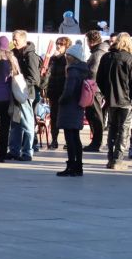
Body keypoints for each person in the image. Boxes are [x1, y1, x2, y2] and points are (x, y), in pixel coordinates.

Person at [96, 32, 132, 170]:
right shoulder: (130, 59)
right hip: (125, 100)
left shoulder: (106, 57)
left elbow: (99, 79)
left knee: (112, 128)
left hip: (111, 99)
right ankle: (118, 160)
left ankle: (110, 158)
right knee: (124, 130)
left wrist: (106, 93)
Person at [55, 42, 90, 177]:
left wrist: (61, 100)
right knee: (75, 137)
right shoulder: (83, 69)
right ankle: (78, 166)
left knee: (70, 138)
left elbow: (69, 90)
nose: (65, 56)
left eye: (67, 55)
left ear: (72, 57)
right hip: (78, 106)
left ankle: (71, 166)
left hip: (69, 107)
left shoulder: (72, 70)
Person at [8, 30, 40, 162]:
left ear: (23, 40)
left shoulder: (31, 55)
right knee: (15, 123)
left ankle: (27, 152)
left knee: (27, 122)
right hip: (16, 92)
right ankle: (14, 150)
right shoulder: (15, 53)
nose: (14, 42)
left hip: (26, 93)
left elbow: (35, 78)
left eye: (16, 39)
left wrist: (21, 86)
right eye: (13, 39)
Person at [83, 30, 109, 152]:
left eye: (87, 41)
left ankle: (96, 142)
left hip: (94, 89)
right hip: (95, 88)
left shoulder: (98, 54)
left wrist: (84, 72)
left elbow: (94, 72)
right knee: (92, 115)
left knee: (95, 116)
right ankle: (96, 141)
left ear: (91, 41)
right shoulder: (99, 52)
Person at [45, 37, 72, 149]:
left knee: (65, 117)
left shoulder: (68, 59)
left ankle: (67, 141)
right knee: (54, 117)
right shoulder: (53, 59)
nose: (58, 46)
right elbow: (48, 75)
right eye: (57, 44)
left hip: (63, 91)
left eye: (61, 44)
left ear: (66, 47)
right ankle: (54, 140)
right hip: (53, 91)